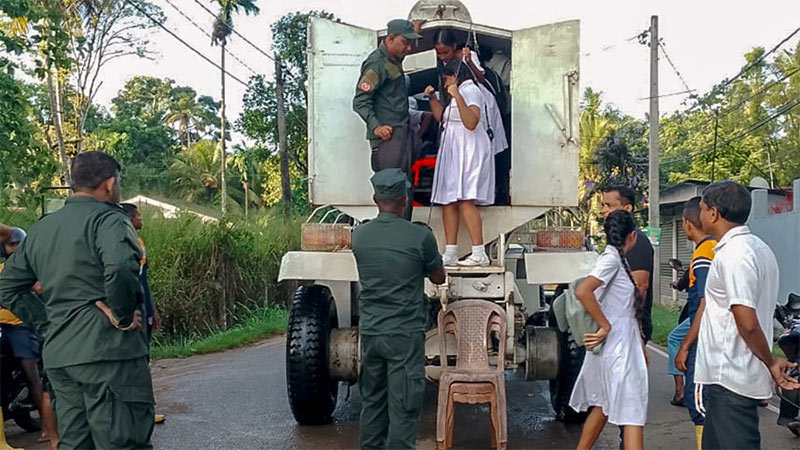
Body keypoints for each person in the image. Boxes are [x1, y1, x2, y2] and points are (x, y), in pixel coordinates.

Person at [0, 151, 154, 449]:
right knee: (123, 441)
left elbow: (7, 286)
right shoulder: (110, 220)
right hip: (109, 354)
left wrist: (47, 322)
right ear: (110, 184)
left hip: (61, 357)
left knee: (75, 443)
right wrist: (122, 316)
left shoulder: (43, 228)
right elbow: (119, 267)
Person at [694, 181, 800, 449]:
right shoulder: (756, 248)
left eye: (702, 208)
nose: (699, 215)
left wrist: (771, 362)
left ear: (714, 213)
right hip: (727, 378)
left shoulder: (734, 255)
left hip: (732, 376)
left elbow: (747, 322)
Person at [352, 169, 446, 450]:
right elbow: (438, 277)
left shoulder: (360, 236)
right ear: (405, 199)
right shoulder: (419, 237)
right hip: (405, 334)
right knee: (404, 405)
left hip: (371, 332)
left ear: (375, 199)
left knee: (372, 402)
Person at [569, 210, 649, 450]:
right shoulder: (612, 260)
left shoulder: (616, 259)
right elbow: (583, 291)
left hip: (620, 342)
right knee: (632, 411)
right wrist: (605, 325)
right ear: (632, 235)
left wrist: (640, 345)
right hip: (619, 345)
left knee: (603, 405)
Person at [425, 60, 494, 267]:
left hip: (468, 147)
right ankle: (450, 252)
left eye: (446, 79)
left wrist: (457, 96)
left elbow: (471, 122)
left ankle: (479, 252)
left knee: (465, 199)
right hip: (453, 148)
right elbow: (442, 118)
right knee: (448, 200)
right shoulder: (456, 93)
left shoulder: (471, 90)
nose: (445, 84)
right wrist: (432, 98)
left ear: (455, 76)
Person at [353, 19, 422, 220]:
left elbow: (400, 56)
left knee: (405, 186)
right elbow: (360, 101)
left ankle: (403, 229)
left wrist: (412, 31)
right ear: (390, 39)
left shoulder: (393, 59)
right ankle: (393, 231)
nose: (409, 48)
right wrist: (376, 127)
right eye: (405, 43)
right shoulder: (376, 64)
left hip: (401, 133)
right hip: (387, 138)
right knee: (392, 190)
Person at [0, 227, 58, 448]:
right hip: (2, 327)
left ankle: (47, 427)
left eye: (18, 244)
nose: (14, 249)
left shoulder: (30, 269)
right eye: (11, 244)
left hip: (20, 327)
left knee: (32, 372)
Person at [671, 197, 716, 450]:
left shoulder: (703, 255)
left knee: (698, 402)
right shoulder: (715, 248)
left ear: (687, 224)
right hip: (712, 334)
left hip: (703, 335)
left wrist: (686, 345)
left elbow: (704, 302)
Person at [120, 203, 165, 425]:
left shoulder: (140, 243)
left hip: (143, 305)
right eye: (138, 215)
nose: (141, 219)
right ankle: (136, 411)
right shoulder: (121, 244)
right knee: (133, 360)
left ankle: (143, 408)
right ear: (130, 219)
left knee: (144, 356)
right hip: (131, 308)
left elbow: (143, 280)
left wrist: (152, 309)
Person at [432, 29, 508, 159]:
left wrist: (469, 62)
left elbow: (481, 79)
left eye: (445, 52)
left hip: (476, 99)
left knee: (481, 137)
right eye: (438, 53)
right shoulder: (442, 62)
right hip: (455, 100)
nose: (442, 57)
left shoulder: (468, 55)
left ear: (454, 46)